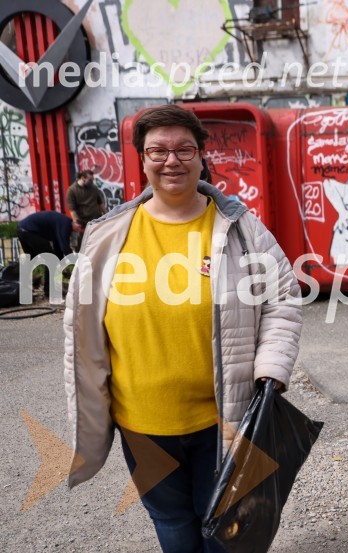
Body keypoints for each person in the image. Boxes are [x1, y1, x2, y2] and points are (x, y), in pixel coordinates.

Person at [63, 104, 302, 552]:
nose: (171, 160)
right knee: (173, 524)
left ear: (200, 155)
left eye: (183, 149)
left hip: (224, 418)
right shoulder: (108, 236)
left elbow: (282, 298)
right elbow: (84, 327)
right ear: (142, 158)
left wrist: (271, 366)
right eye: (158, 150)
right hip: (142, 422)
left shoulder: (241, 229)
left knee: (226, 528)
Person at [16, 210, 73, 296]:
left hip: (22, 229)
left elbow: (58, 247)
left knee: (32, 260)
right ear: (76, 223)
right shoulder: (66, 223)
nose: (78, 231)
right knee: (51, 259)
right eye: (80, 229)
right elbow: (64, 247)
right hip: (29, 231)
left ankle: (19, 287)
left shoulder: (60, 224)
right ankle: (49, 291)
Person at [66, 169, 106, 251]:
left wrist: (106, 214)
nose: (92, 182)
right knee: (82, 246)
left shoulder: (93, 188)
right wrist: (77, 224)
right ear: (82, 178)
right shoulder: (72, 191)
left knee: (99, 244)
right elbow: (72, 210)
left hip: (96, 220)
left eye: (92, 180)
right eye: (90, 180)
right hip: (84, 223)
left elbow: (100, 203)